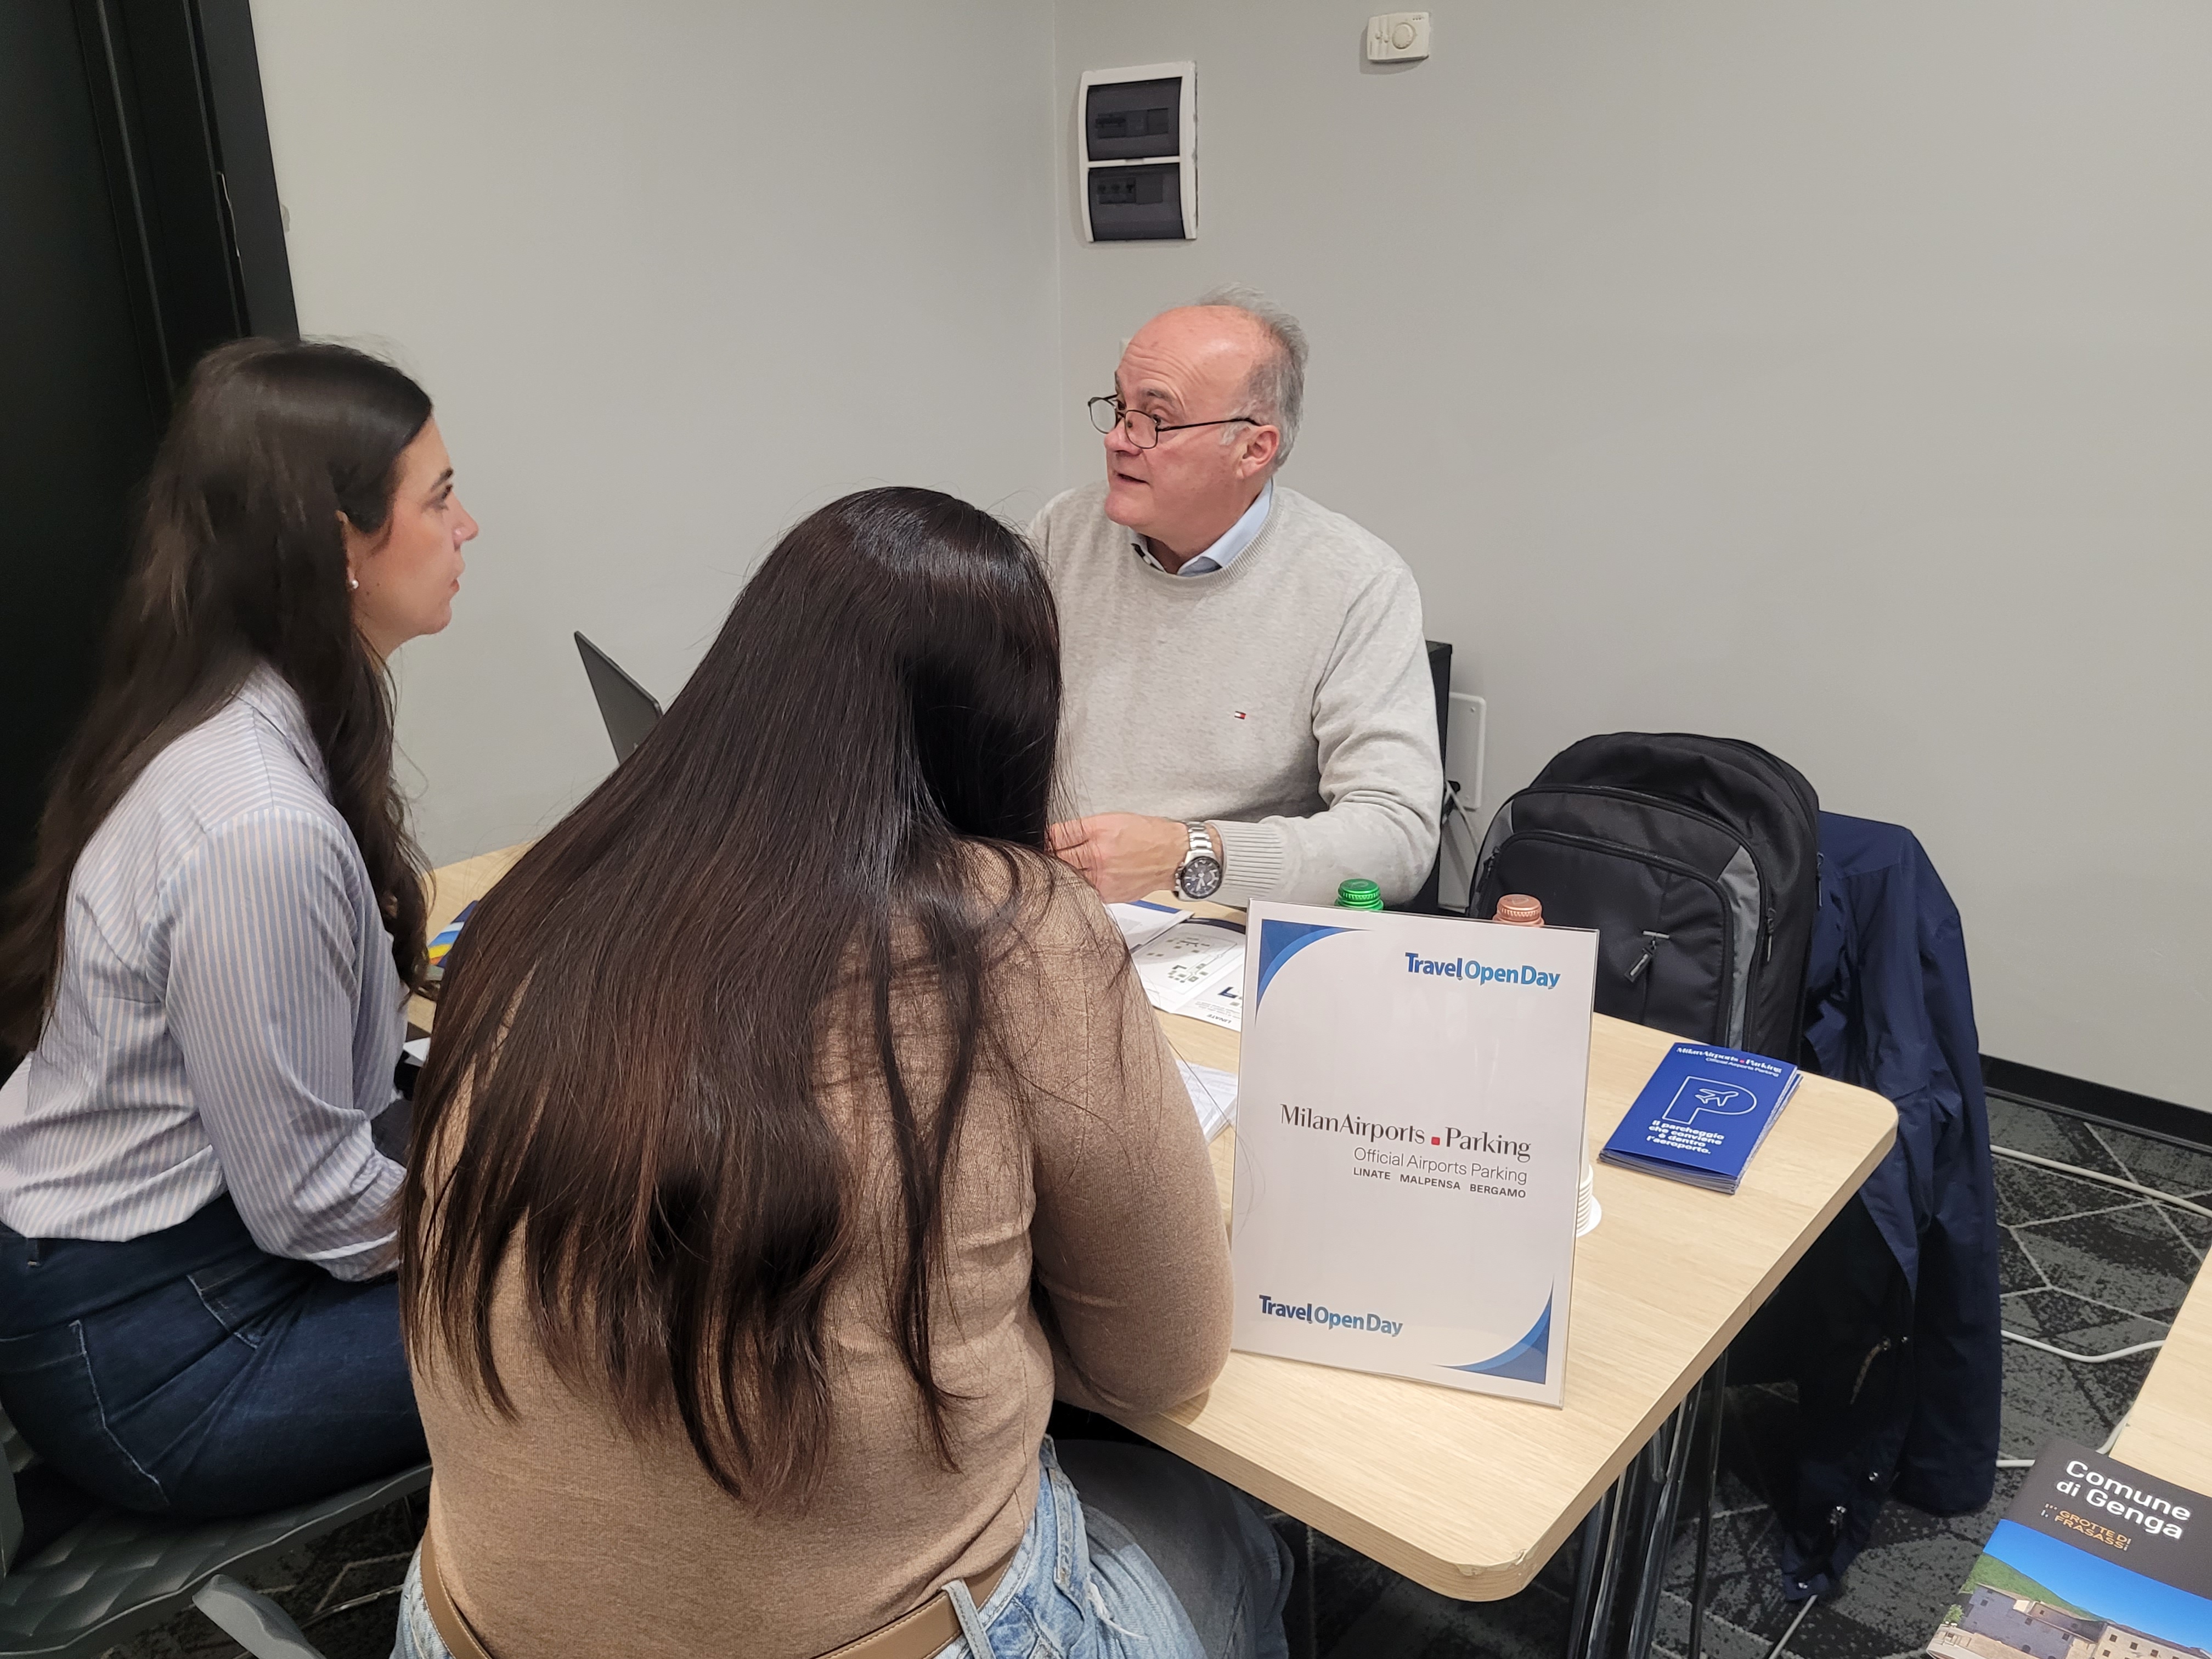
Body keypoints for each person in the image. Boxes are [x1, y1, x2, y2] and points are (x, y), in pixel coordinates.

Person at [394, 488, 1286, 1659]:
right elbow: (1163, 1360)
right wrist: (982, 1321)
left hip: (457, 1626)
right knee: (1228, 1530)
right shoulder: (1016, 928)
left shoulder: (555, 885)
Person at [0, 338, 477, 1519]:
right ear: (338, 542)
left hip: (179, 1271)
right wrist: (527, 1211)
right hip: (163, 1353)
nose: (468, 529)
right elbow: (312, 1203)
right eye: (440, 499)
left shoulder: (247, 709)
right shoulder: (258, 826)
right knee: (615, 1305)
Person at [1030, 285, 1443, 909]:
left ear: (1254, 449)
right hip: (1050, 905)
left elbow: (1397, 838)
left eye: (1155, 420)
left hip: (1217, 926)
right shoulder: (1062, 533)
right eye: (1119, 407)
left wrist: (1189, 854)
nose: (1118, 439)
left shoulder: (1358, 582)